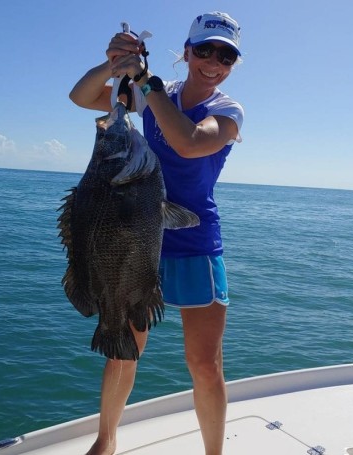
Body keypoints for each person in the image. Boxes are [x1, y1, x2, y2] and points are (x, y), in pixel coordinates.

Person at [69, 11, 244, 455]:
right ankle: (105, 442)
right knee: (123, 350)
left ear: (232, 64)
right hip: (135, 241)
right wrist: (116, 64)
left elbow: (189, 142)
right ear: (186, 53)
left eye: (225, 54)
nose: (213, 60)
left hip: (195, 242)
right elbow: (81, 95)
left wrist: (146, 82)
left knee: (204, 364)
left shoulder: (227, 111)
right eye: (204, 49)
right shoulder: (152, 94)